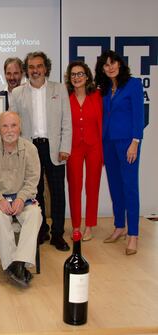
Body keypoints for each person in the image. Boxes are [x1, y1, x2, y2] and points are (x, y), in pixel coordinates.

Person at [11, 51, 72, 251]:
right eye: (31, 67)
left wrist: (65, 147)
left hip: (54, 148)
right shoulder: (18, 93)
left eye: (39, 66)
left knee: (57, 192)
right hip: (29, 148)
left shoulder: (59, 89)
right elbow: (14, 124)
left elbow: (66, 121)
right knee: (34, 192)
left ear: (46, 68)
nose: (35, 70)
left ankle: (57, 234)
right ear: (27, 70)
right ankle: (41, 230)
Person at [0, 111, 41, 287]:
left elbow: (32, 180)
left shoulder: (30, 149)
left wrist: (21, 198)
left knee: (35, 214)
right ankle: (16, 265)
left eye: (13, 125)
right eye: (5, 126)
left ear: (20, 127)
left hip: (23, 198)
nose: (9, 130)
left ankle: (17, 264)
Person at [94, 50, 144, 255]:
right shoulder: (104, 89)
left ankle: (133, 234)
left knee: (129, 187)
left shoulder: (133, 84)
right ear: (102, 69)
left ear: (120, 64)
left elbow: (139, 115)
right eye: (106, 65)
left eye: (113, 63)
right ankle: (119, 226)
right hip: (108, 143)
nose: (110, 67)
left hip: (127, 143)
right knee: (115, 187)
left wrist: (135, 142)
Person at [65, 61, 103, 241]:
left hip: (94, 145)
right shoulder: (66, 97)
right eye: (73, 74)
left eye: (80, 74)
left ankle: (89, 225)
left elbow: (102, 122)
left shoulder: (97, 95)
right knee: (74, 187)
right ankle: (76, 226)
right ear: (69, 77)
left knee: (92, 186)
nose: (77, 77)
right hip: (73, 147)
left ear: (87, 76)